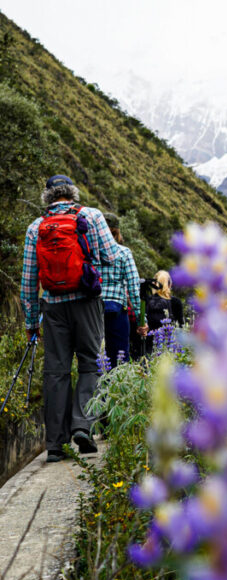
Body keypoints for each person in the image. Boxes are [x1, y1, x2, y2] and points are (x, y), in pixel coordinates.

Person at [20, 174, 119, 462]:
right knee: (90, 363)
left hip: (53, 307)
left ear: (47, 197)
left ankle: (54, 444)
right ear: (72, 193)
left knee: (56, 372)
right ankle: (83, 426)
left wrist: (31, 322)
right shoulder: (91, 216)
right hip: (86, 302)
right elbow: (111, 256)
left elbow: (29, 281)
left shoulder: (36, 227)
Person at [100, 213, 148, 367]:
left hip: (92, 311)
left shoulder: (90, 252)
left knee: (95, 358)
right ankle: (116, 390)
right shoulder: (123, 252)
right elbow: (134, 288)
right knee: (120, 358)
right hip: (116, 311)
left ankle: (96, 390)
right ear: (117, 231)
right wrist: (142, 321)